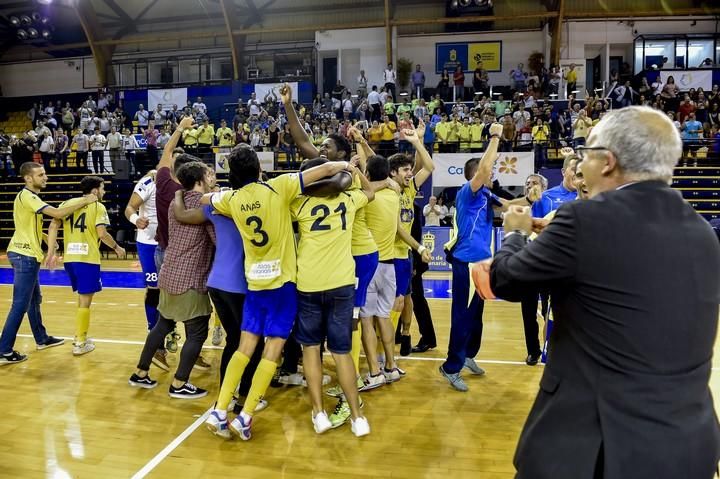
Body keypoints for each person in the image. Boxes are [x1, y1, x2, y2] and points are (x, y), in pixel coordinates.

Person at [491, 106, 720, 478]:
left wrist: (514, 233)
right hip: (688, 446)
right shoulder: (701, 232)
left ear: (608, 162)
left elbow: (508, 280)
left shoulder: (584, 220)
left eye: (586, 155)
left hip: (596, 449)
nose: (580, 168)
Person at [203, 145, 354, 440]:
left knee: (244, 347)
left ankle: (221, 409)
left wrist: (212, 194)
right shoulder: (278, 187)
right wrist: (347, 164)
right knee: (271, 350)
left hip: (254, 284)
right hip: (282, 285)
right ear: (259, 168)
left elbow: (207, 198)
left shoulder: (232, 199)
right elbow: (324, 171)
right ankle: (245, 416)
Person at [290, 157, 374, 436]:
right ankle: (358, 417)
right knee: (341, 352)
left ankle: (319, 413)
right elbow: (370, 191)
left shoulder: (298, 204)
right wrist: (351, 169)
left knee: (311, 349)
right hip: (342, 283)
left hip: (309, 283)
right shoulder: (349, 202)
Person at [128, 161, 216, 399]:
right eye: (208, 175)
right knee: (197, 331)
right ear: (199, 180)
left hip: (168, 273)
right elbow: (216, 238)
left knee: (163, 324)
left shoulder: (174, 204)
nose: (211, 178)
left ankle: (140, 372)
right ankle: (179, 383)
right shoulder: (203, 205)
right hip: (191, 276)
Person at [0, 162, 97, 365]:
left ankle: (42, 339)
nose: (46, 177)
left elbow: (26, 225)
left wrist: (45, 238)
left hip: (27, 253)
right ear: (28, 178)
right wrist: (86, 200)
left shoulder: (29, 197)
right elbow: (58, 214)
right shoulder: (28, 196)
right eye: (41, 175)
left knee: (34, 300)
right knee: (20, 304)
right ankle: (4, 350)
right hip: (24, 255)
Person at [46, 176, 126, 356]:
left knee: (82, 299)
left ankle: (79, 337)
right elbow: (102, 233)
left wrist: (51, 251)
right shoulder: (98, 206)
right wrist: (117, 247)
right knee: (86, 301)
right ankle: (80, 342)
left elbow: (53, 225)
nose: (104, 192)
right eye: (103, 188)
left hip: (70, 259)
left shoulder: (67, 203)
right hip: (87, 258)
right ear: (95, 190)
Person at [124, 170, 161, 337]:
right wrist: (135, 220)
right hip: (149, 244)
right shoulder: (149, 181)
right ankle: (153, 328)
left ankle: (169, 327)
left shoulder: (182, 181)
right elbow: (129, 208)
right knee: (154, 288)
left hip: (172, 244)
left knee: (173, 290)